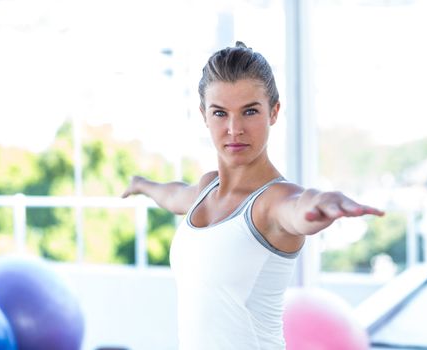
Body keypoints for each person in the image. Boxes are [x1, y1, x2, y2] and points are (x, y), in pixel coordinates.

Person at [122, 41, 384, 350]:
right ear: (204, 114)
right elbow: (174, 195)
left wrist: (321, 203)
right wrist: (142, 185)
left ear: (273, 112)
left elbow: (297, 207)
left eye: (249, 111)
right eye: (220, 113)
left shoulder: (272, 201)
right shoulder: (206, 189)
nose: (234, 129)